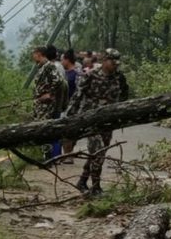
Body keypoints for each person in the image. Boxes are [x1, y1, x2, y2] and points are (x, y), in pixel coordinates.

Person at [67, 48, 124, 196]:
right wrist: (70, 117)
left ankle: (82, 181)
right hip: (91, 121)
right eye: (113, 62)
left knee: (99, 154)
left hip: (108, 123)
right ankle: (96, 187)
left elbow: (123, 98)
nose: (115, 65)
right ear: (105, 60)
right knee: (97, 152)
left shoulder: (119, 77)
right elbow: (77, 96)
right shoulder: (91, 75)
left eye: (117, 63)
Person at [31, 45, 67, 160]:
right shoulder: (41, 67)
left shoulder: (48, 66)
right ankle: (45, 155)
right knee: (41, 129)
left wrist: (50, 94)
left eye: (34, 53)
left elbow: (59, 81)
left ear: (39, 54)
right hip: (40, 105)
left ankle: (48, 157)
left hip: (46, 106)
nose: (33, 56)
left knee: (44, 130)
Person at [60, 50, 80, 156]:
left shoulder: (76, 74)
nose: (61, 62)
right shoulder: (63, 74)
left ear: (67, 60)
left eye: (62, 60)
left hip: (73, 106)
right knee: (65, 131)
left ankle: (69, 154)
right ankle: (67, 153)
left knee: (72, 131)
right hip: (63, 107)